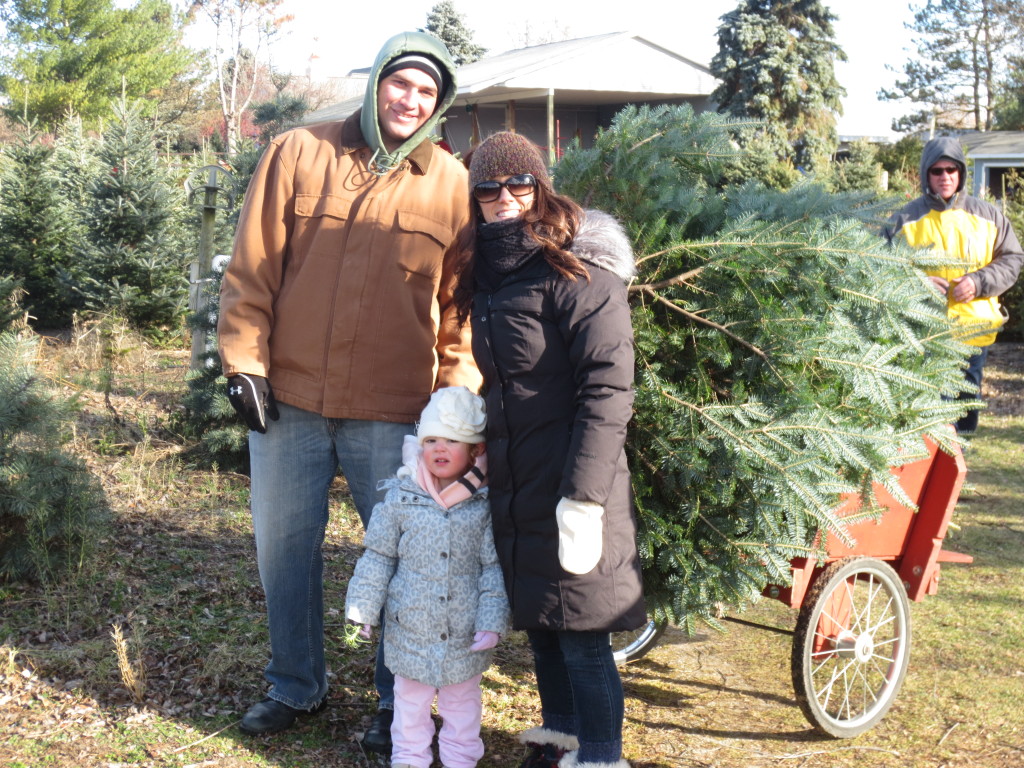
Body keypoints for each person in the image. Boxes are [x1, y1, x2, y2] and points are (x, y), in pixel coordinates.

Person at [217, 31, 481, 747]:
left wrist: (454, 408)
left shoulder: (453, 187)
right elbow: (252, 268)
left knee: (403, 562)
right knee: (283, 551)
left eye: (427, 92)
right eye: (402, 83)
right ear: (378, 85)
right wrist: (245, 362)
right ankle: (294, 685)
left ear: (439, 106)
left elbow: (461, 311)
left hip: (394, 412)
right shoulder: (299, 154)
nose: (411, 100)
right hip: (291, 402)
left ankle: (395, 701)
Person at [454, 132, 646, 768]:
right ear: (474, 196)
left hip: (573, 483)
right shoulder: (488, 277)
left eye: (519, 185)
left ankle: (599, 756)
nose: (504, 198)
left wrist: (584, 499)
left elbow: (609, 390)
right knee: (543, 628)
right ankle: (557, 743)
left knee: (583, 639)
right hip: (519, 481)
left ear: (540, 189)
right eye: (488, 187)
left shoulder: (578, 273)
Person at [345, 386, 510, 768]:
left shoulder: (483, 507)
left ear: (476, 450)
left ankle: (460, 760)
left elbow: (492, 569)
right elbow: (378, 557)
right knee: (409, 706)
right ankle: (409, 760)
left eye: (452, 440)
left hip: (463, 635)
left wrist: (491, 621)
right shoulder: (400, 498)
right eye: (431, 439)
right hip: (410, 631)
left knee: (462, 706)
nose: (439, 448)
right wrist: (362, 608)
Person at [885, 136, 1023, 434]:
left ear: (961, 172)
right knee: (930, 404)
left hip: (974, 332)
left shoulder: (989, 216)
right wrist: (916, 282)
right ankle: (931, 470)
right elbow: (877, 264)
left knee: (965, 399)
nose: (944, 177)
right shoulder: (904, 220)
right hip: (923, 333)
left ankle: (959, 466)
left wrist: (978, 282)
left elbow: (1012, 260)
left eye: (951, 169)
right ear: (926, 174)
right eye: (937, 171)